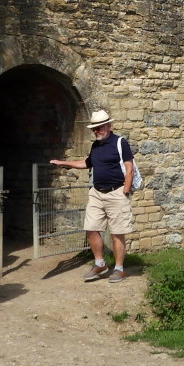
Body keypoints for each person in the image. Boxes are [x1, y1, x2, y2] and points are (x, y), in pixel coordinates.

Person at [50, 109, 135, 283]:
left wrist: (125, 191)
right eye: (94, 129)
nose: (97, 131)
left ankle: (119, 269)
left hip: (116, 191)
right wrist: (65, 163)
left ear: (108, 125)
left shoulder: (120, 143)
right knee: (91, 227)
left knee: (117, 232)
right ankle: (100, 263)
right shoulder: (95, 146)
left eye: (100, 127)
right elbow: (87, 163)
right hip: (97, 192)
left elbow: (129, 168)